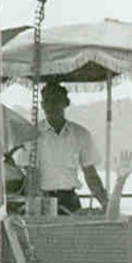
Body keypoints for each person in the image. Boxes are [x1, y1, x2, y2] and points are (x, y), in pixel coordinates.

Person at [18, 80, 107, 213]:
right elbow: (31, 175)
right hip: (42, 201)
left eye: (56, 100)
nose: (51, 105)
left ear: (66, 103)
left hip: (70, 202)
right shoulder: (31, 135)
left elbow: (91, 175)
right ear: (42, 104)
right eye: (47, 101)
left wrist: (106, 204)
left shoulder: (80, 134)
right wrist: (35, 205)